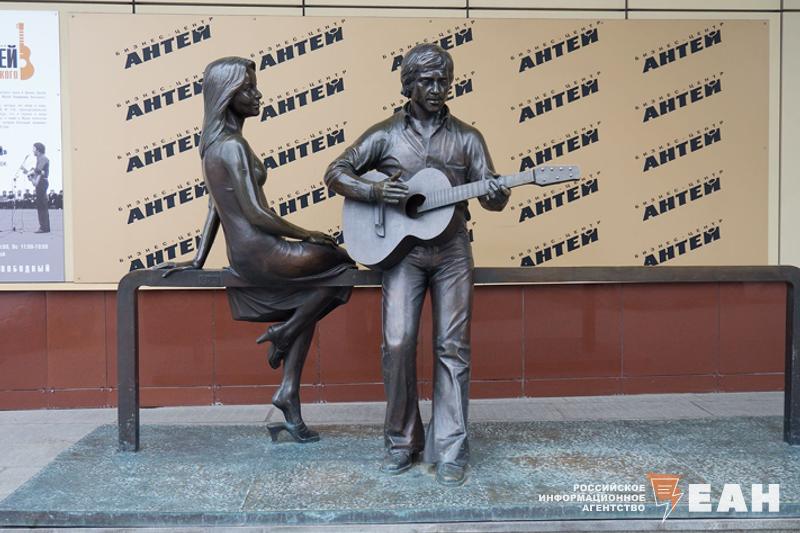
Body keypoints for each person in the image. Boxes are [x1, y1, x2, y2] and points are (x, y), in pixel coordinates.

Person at [325, 43, 510, 486]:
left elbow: (493, 198)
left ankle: (450, 449)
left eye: (444, 80)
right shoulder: (385, 134)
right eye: (426, 81)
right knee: (397, 343)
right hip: (402, 254)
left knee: (452, 347)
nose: (437, 88)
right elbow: (336, 172)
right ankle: (402, 442)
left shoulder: (468, 137)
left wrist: (497, 193)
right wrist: (374, 192)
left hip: (451, 253)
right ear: (408, 84)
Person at [159, 56, 355, 443]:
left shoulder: (211, 147)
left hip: (246, 254)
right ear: (227, 95)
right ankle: (285, 332)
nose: (257, 94)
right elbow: (256, 213)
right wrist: (308, 234)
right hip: (263, 252)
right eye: (247, 88)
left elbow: (215, 207)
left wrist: (198, 259)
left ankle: (288, 392)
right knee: (343, 266)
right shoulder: (232, 146)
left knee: (309, 300)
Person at [28, 142, 50, 233]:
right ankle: (44, 227)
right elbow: (39, 173)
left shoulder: (43, 158)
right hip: (41, 182)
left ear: (38, 149)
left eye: (34, 148)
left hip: (42, 182)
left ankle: (44, 228)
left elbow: (38, 171)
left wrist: (31, 172)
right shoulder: (39, 158)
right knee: (41, 205)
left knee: (41, 206)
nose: (33, 150)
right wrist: (31, 175)